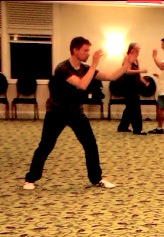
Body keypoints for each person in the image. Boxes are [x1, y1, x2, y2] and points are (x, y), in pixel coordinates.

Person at [23, 36, 136, 190]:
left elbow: (111, 77)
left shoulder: (85, 68)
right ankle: (30, 179)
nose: (88, 53)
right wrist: (94, 64)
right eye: (85, 50)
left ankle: (96, 178)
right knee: (46, 145)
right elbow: (82, 85)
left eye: (89, 50)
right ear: (75, 50)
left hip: (76, 112)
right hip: (57, 112)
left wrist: (126, 64)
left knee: (90, 144)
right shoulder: (62, 68)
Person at [117, 42, 149, 135]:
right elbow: (126, 71)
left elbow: (137, 74)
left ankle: (122, 126)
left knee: (130, 107)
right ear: (132, 49)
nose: (138, 51)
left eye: (139, 49)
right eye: (137, 49)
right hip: (127, 84)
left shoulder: (136, 60)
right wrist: (141, 70)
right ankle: (138, 129)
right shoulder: (127, 58)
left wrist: (144, 81)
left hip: (134, 85)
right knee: (135, 107)